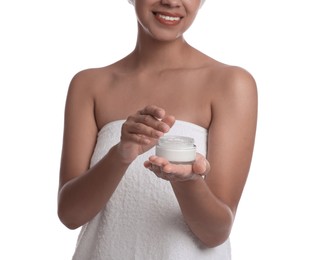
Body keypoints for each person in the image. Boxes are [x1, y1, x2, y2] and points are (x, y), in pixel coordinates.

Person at [57, 0, 258, 259]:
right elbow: (70, 215)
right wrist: (120, 155)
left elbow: (216, 232)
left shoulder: (231, 84)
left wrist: (186, 180)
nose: (172, 1)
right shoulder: (89, 85)